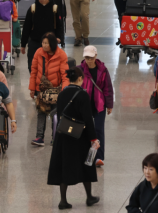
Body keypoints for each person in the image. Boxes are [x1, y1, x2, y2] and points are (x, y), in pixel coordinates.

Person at [46, 67, 100, 209]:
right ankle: (89, 197)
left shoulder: (62, 93)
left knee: (65, 166)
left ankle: (63, 200)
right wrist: (93, 138)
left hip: (63, 134)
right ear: (81, 79)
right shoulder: (83, 95)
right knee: (86, 165)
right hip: (79, 136)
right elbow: (88, 119)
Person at [30, 32, 70, 146]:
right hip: (41, 89)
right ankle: (39, 137)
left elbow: (65, 75)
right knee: (41, 112)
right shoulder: (39, 52)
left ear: (52, 44)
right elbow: (34, 71)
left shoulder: (61, 55)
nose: (44, 45)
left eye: (46, 43)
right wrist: (32, 88)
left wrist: (64, 90)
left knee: (55, 114)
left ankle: (55, 137)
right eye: (43, 42)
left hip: (56, 90)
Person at [78, 46, 113, 166]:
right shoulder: (79, 70)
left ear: (95, 56)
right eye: (87, 57)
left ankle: (98, 157)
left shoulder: (103, 70)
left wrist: (109, 105)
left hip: (99, 104)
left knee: (98, 130)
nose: (89, 60)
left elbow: (107, 88)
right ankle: (83, 154)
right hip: (84, 105)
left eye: (91, 57)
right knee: (83, 129)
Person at [21, 0, 65, 72]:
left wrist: (59, 37)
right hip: (35, 41)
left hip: (50, 42)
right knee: (32, 66)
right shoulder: (33, 8)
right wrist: (23, 44)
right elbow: (27, 26)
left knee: (50, 66)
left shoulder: (54, 8)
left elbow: (59, 25)